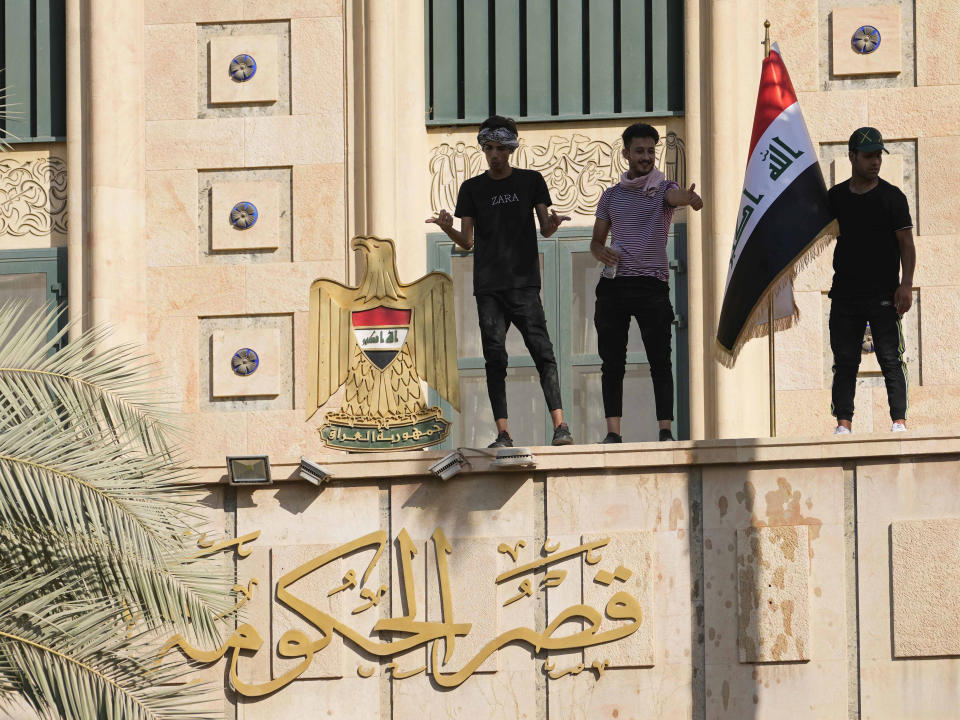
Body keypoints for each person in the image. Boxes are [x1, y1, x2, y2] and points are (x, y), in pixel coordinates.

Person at [426, 115, 573, 448]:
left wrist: (553, 223)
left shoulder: (531, 181)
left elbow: (545, 228)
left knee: (543, 352)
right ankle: (503, 433)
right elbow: (466, 241)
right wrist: (446, 226)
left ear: (511, 149)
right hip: (489, 288)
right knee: (495, 358)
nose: (494, 154)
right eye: (488, 148)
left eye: (500, 148)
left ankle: (561, 426)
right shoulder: (472, 189)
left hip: (523, 284)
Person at [589, 123, 702, 443]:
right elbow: (595, 242)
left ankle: (665, 430)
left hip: (651, 286)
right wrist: (603, 253)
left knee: (660, 360)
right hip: (614, 287)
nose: (646, 157)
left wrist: (689, 198)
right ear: (626, 154)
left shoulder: (662, 188)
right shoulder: (611, 197)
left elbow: (676, 196)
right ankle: (613, 433)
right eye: (640, 151)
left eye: (651, 151)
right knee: (612, 362)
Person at [828, 127, 916, 435]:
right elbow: (810, 227)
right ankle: (843, 425)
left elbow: (906, 243)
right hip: (845, 295)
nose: (875, 161)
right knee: (845, 361)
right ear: (852, 157)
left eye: (878, 155)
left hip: (884, 295)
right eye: (868, 156)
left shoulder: (893, 197)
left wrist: (906, 285)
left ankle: (899, 422)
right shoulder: (836, 197)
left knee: (891, 358)